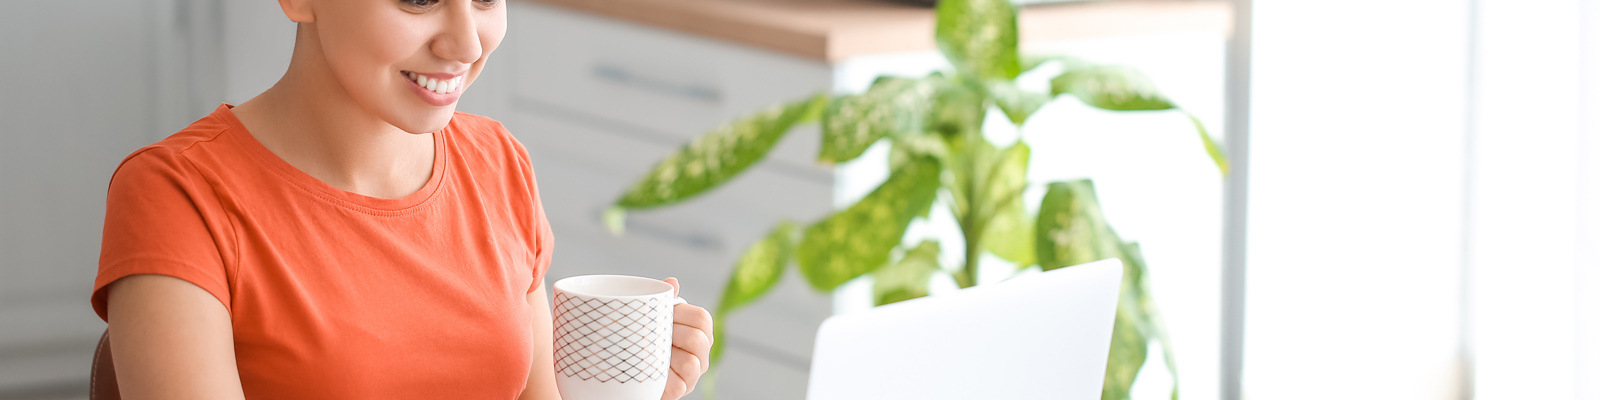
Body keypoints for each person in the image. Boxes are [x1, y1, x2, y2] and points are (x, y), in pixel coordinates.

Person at [89, 0, 714, 398]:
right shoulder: (177, 195)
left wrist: (622, 390)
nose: (466, 43)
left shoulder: (498, 163)